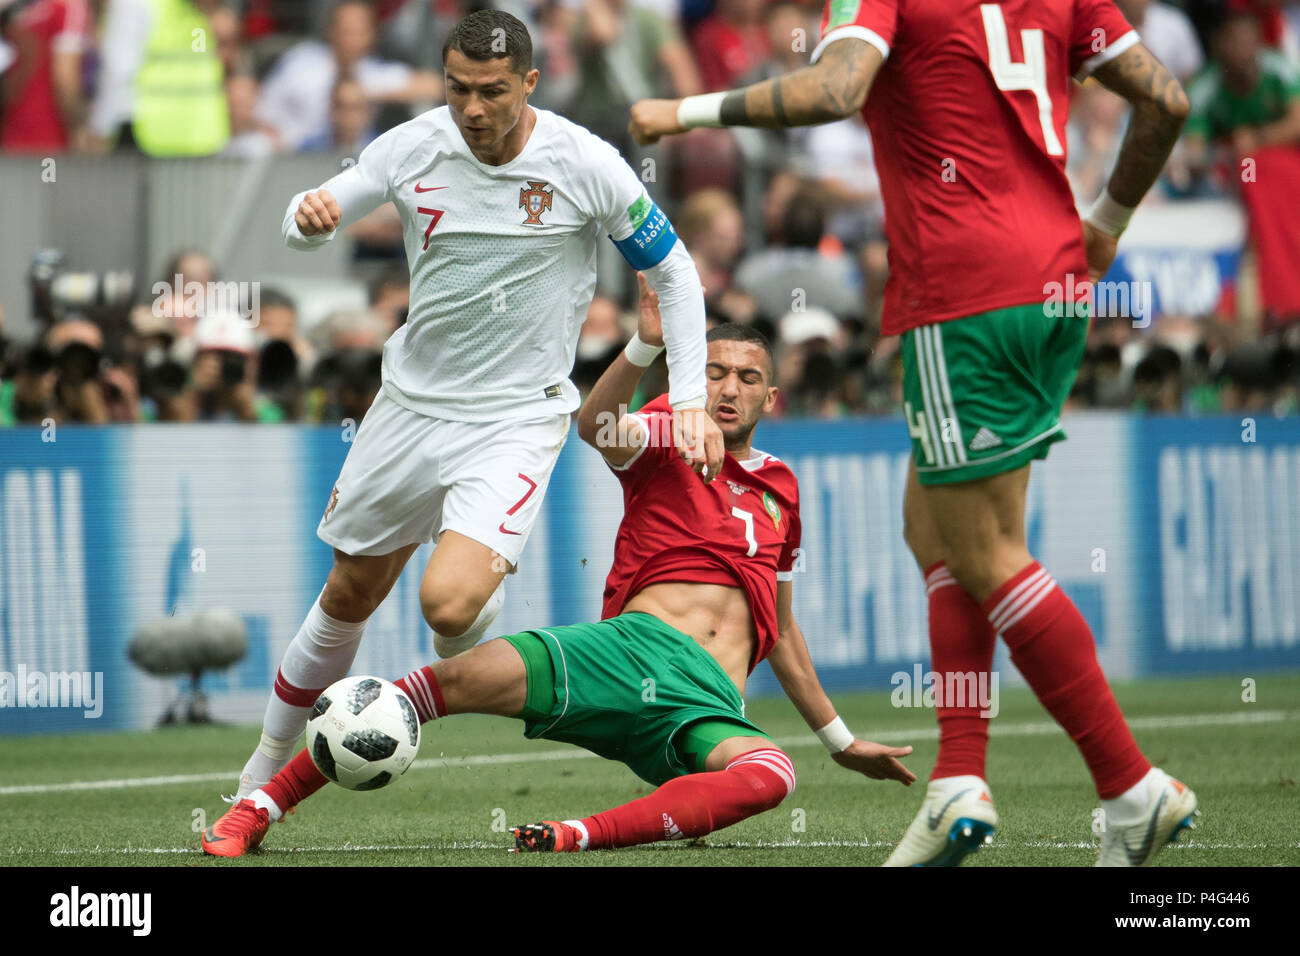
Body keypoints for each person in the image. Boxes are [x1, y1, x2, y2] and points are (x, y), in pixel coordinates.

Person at [629, 0, 1198, 867]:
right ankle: (957, 783)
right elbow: (1166, 101)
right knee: (933, 529)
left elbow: (836, 86)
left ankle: (1129, 786)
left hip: (967, 288)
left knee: (989, 551)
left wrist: (685, 111)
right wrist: (1109, 220)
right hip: (1054, 281)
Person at [201, 280, 915, 857]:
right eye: (716, 372)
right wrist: (642, 346)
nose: (728, 388)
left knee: (771, 775)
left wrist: (841, 742)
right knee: (436, 686)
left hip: (707, 705)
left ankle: (577, 835)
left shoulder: (783, 487)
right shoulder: (671, 429)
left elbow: (781, 631)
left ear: (770, 397)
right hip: (630, 654)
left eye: (747, 378)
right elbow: (598, 427)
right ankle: (255, 809)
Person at [226, 9, 723, 805]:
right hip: (410, 407)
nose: (473, 108)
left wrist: (690, 399)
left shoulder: (584, 162)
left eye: (492, 91)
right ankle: (257, 780)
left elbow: (676, 273)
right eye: (458, 88)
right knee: (350, 593)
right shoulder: (413, 143)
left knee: (448, 608)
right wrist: (307, 219)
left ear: (530, 82)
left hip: (516, 418)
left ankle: (473, 604)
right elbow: (306, 220)